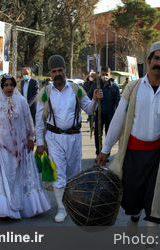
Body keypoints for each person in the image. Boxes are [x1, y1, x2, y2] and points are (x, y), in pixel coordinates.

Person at [97, 41, 160, 231]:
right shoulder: (133, 88)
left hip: (159, 157)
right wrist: (105, 150)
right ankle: (134, 216)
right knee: (132, 198)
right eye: (156, 58)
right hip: (132, 155)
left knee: (155, 199)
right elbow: (117, 121)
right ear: (148, 61)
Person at [0, 74, 50, 218]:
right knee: (2, 179)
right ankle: (2, 208)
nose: (9, 88)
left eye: (11, 85)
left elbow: (28, 121)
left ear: (15, 86)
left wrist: (31, 139)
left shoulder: (21, 101)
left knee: (18, 177)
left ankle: (19, 206)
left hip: (20, 146)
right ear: (1, 87)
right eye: (6, 85)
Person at [35, 55, 102, 223]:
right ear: (50, 73)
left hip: (74, 138)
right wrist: (40, 143)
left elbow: (89, 109)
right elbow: (38, 120)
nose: (57, 74)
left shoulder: (76, 89)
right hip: (54, 138)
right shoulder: (45, 93)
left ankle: (72, 204)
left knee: (74, 173)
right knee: (58, 174)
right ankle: (61, 208)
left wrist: (95, 100)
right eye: (54, 71)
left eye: (60, 70)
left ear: (65, 71)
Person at [88, 66, 120, 157]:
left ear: (110, 75)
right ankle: (98, 153)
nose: (105, 76)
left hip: (110, 115)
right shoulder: (96, 85)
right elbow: (89, 97)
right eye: (103, 74)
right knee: (98, 134)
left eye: (106, 74)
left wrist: (118, 116)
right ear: (100, 74)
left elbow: (118, 102)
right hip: (98, 114)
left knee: (109, 135)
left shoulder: (114, 86)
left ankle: (106, 154)